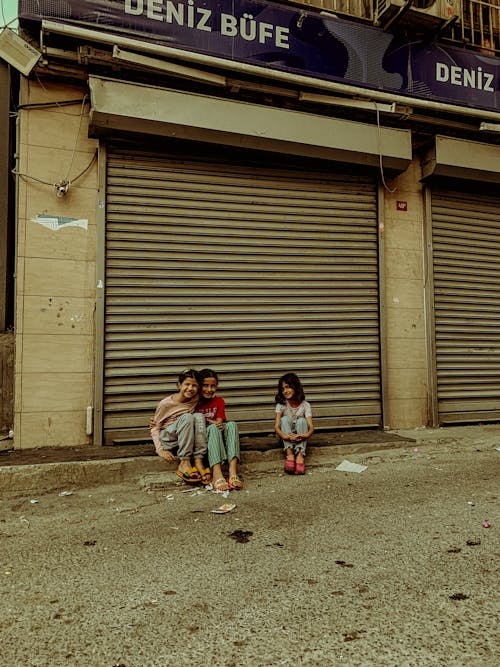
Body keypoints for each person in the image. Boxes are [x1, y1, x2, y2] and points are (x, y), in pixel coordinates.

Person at [149, 369, 210, 485]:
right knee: (187, 417)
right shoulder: (166, 404)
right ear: (179, 385)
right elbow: (155, 428)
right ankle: (184, 462)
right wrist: (160, 450)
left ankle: (198, 459)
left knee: (198, 416)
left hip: (183, 439)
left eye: (194, 386)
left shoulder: (195, 398)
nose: (190, 388)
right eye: (187, 384)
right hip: (169, 438)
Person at [196, 368, 243, 492]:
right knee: (212, 428)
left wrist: (217, 424)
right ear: (199, 386)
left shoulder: (219, 401)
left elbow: (220, 421)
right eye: (205, 386)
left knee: (232, 424)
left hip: (218, 434)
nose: (209, 389)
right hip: (203, 440)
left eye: (213, 386)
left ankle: (233, 471)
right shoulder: (194, 402)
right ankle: (216, 473)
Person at [274, 372, 314, 475]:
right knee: (284, 419)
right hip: (284, 436)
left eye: (287, 387)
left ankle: (300, 456)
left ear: (295, 387)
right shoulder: (281, 404)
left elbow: (311, 428)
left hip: (300, 436)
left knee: (302, 421)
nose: (285, 391)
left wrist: (303, 435)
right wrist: (286, 437)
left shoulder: (305, 405)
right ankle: (290, 454)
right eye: (282, 389)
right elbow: (277, 427)